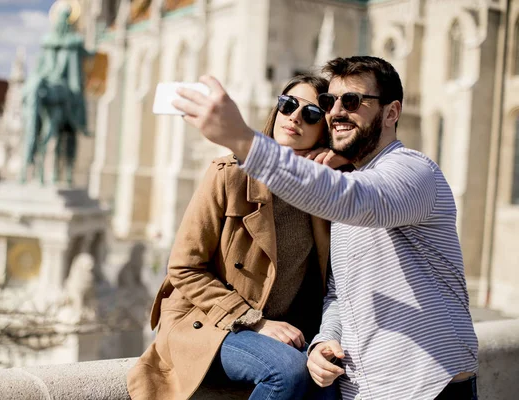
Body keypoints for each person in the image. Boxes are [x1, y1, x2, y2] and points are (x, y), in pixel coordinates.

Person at [172, 56, 479, 400]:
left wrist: (245, 141)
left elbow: (355, 200)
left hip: (427, 386)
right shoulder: (347, 184)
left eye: (352, 101)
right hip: (366, 388)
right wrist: (322, 342)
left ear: (391, 113)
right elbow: (339, 293)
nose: (336, 112)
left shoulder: (414, 172)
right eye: (330, 102)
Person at [128, 74, 346, 400]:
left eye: (311, 114)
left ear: (323, 129)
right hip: (210, 322)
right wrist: (255, 322)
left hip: (284, 330)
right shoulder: (229, 173)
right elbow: (184, 267)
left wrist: (341, 160)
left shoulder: (327, 189)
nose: (295, 117)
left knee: (330, 382)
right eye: (288, 105)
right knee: (286, 372)